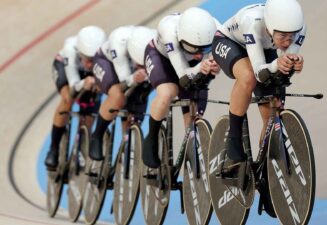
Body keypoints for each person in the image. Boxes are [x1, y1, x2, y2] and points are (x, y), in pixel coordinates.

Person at [211, 0, 306, 163]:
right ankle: (233, 139)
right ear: (269, 27)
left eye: (292, 36)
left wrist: (292, 64)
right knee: (248, 77)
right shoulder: (252, 23)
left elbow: (283, 68)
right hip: (229, 41)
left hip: (263, 48)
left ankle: (267, 168)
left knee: (271, 116)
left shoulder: (300, 28)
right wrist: (278, 63)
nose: (287, 42)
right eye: (282, 35)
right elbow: (260, 73)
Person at [142, 7, 221, 169]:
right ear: (182, 38)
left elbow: (213, 66)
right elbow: (184, 78)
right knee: (168, 93)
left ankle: (191, 155)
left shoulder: (216, 29)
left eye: (204, 49)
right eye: (194, 49)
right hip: (162, 58)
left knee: (194, 116)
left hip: (191, 65)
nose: (199, 54)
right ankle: (152, 137)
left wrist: (214, 68)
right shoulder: (169, 30)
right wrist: (201, 67)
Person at [89, 26, 155, 161]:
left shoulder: (154, 41)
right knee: (118, 96)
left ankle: (127, 143)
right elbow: (124, 83)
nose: (140, 66)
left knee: (142, 91)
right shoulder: (119, 42)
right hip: (107, 62)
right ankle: (97, 136)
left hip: (130, 67)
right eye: (139, 63)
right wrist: (134, 77)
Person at [44, 25, 106, 170]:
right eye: (88, 60)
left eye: (95, 60)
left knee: (92, 106)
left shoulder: (105, 52)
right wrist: (85, 82)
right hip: (65, 69)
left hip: (86, 77)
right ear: (80, 52)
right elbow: (73, 86)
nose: (91, 64)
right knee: (67, 100)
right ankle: (53, 149)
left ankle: (81, 145)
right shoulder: (70, 50)